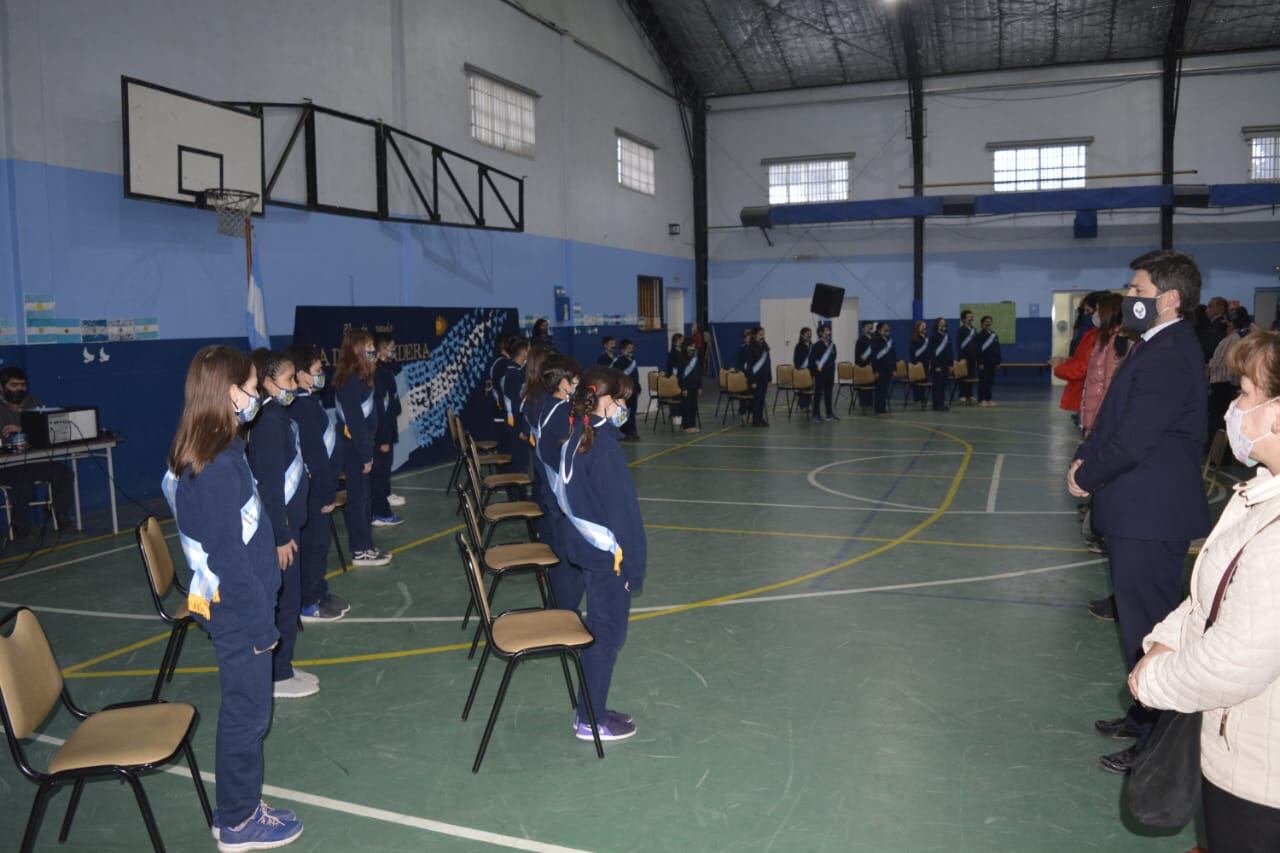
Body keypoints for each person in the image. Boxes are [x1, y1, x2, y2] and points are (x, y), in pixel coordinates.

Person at [1129, 330, 1280, 852]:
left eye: (1243, 393)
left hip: (1263, 777)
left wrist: (1154, 680)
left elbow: (1236, 660)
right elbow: (1211, 597)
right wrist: (1167, 638)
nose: (1232, 409)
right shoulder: (1260, 496)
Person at [1067, 249, 1209, 776]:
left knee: (1150, 632)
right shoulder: (1156, 345)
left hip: (1149, 514)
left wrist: (1087, 473)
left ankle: (1159, 739)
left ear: (1168, 299)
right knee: (1140, 626)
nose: (1129, 298)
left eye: (1137, 291)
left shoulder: (1170, 352)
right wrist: (1087, 454)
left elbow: (1136, 438)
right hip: (1139, 511)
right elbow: (1116, 419)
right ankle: (1144, 712)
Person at [162, 346, 303, 851]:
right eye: (250, 388)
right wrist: (264, 627)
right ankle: (240, 822)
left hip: (241, 607)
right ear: (228, 393)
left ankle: (239, 807)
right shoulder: (216, 467)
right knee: (248, 715)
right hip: (240, 613)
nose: (256, 398)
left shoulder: (224, 452)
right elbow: (229, 560)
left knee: (248, 710)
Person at [553, 366, 646, 742]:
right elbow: (624, 516)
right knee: (606, 638)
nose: (625, 406)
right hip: (609, 559)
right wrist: (634, 570)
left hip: (587, 551)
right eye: (621, 399)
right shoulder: (603, 446)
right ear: (605, 401)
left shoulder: (578, 434)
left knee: (600, 633)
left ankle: (591, 707)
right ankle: (590, 719)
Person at [245, 349, 317, 700]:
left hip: (291, 523)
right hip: (281, 530)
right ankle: (276, 675)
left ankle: (283, 665)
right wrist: (281, 535)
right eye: (288, 380)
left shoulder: (275, 416)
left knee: (290, 597)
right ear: (269, 383)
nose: (293, 386)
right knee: (285, 602)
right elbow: (270, 485)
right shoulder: (269, 422)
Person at [285, 344, 348, 623]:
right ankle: (308, 601)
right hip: (315, 491)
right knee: (314, 546)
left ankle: (319, 590)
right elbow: (316, 456)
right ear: (300, 375)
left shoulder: (310, 402)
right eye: (317, 371)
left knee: (320, 545)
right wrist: (327, 493)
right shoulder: (301, 408)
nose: (322, 374)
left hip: (320, 487)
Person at [1078, 293, 1130, 563]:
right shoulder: (1103, 339)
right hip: (1092, 420)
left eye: (1098, 310)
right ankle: (1095, 529)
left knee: (1103, 480)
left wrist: (1099, 426)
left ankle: (1098, 532)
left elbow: (1110, 388)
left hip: (1103, 423)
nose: (1094, 314)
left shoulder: (1117, 343)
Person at [335, 330, 391, 568]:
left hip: (361, 446)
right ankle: (360, 550)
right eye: (368, 346)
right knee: (358, 501)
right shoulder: (349, 380)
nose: (373, 351)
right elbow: (355, 423)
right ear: (356, 350)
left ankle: (366, 544)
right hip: (355, 449)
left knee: (365, 500)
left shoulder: (362, 377)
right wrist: (367, 455)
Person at [531, 353, 583, 612]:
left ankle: (558, 607)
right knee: (568, 564)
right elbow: (571, 455)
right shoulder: (561, 413)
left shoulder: (547, 404)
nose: (577, 383)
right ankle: (562, 615)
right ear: (562, 382)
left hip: (550, 494)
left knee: (562, 559)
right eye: (573, 379)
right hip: (560, 499)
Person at [0, 367, 75, 536]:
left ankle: (56, 510)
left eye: (22, 385)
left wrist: (21, 429)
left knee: (64, 474)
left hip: (33, 460)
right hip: (6, 466)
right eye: (14, 385)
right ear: (1, 387)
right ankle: (19, 525)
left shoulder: (34, 402)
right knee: (23, 481)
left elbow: (45, 430)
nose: (19, 389)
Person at [1051, 292, 1105, 421]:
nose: (1087, 315)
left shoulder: (1100, 337)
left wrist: (1059, 367)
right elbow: (1082, 359)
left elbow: (1083, 368)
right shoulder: (1090, 333)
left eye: (1089, 310)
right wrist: (1066, 361)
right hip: (1089, 395)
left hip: (1094, 395)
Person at [370, 332, 404, 528]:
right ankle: (379, 512)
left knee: (384, 471)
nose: (393, 351)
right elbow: (381, 407)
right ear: (380, 349)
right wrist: (383, 438)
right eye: (390, 347)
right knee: (379, 474)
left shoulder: (385, 370)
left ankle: (383, 502)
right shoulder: (377, 373)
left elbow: (392, 402)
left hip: (388, 429)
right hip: (381, 433)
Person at [1206, 306, 1253, 446]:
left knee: (1217, 421)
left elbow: (1215, 364)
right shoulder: (1246, 339)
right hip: (1233, 385)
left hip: (1222, 385)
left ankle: (1216, 453)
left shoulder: (1230, 340)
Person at [501, 338, 532, 494]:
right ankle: (516, 496)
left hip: (515, 424)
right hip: (516, 426)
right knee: (519, 463)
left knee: (521, 462)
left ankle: (518, 494)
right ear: (525, 352)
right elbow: (515, 404)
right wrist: (521, 428)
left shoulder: (514, 371)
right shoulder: (514, 374)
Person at [610, 339, 641, 442]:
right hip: (624, 392)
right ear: (622, 350)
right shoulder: (619, 362)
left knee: (632, 412)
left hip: (634, 391)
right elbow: (617, 377)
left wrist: (638, 386)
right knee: (624, 413)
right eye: (628, 348)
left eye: (632, 348)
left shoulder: (633, 360)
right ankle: (625, 432)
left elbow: (635, 376)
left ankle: (632, 431)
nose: (631, 350)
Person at [810, 325, 837, 422]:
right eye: (826, 330)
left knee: (828, 394)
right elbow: (812, 360)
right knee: (818, 394)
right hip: (820, 373)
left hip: (830, 373)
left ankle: (829, 414)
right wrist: (819, 366)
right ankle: (815, 415)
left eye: (829, 330)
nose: (828, 332)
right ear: (821, 333)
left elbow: (834, 357)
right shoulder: (816, 346)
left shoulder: (832, 345)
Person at [746, 327, 771, 427]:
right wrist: (752, 381)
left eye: (763, 334)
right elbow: (749, 366)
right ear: (755, 335)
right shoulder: (751, 347)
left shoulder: (765, 346)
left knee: (762, 400)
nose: (762, 335)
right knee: (757, 399)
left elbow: (768, 362)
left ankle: (760, 419)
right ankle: (756, 420)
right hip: (756, 378)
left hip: (764, 377)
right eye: (760, 334)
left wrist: (769, 377)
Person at [677, 337, 702, 434]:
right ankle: (687, 426)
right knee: (686, 406)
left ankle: (693, 424)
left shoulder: (695, 358)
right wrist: (683, 388)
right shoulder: (681, 358)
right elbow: (680, 376)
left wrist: (700, 386)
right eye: (691, 346)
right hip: (686, 387)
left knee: (693, 407)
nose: (693, 347)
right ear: (686, 347)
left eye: (694, 346)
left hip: (695, 386)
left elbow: (699, 373)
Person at [975, 315, 1002, 407]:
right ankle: (981, 399)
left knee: (990, 381)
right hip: (983, 362)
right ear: (982, 323)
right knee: (983, 381)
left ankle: (988, 398)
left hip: (992, 362)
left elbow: (997, 348)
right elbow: (978, 350)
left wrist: (998, 362)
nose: (988, 323)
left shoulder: (994, 335)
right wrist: (980, 362)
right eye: (986, 321)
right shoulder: (980, 335)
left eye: (990, 321)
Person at [928, 318, 953, 412]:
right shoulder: (933, 337)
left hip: (946, 364)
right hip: (937, 365)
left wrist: (951, 364)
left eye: (944, 323)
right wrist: (936, 365)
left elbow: (950, 350)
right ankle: (936, 404)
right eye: (941, 323)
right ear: (937, 325)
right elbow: (931, 353)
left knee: (943, 385)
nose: (943, 324)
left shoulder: (947, 336)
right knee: (937, 386)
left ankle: (941, 403)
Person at [872, 322, 896, 415]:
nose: (887, 329)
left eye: (887, 327)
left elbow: (893, 354)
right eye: (885, 327)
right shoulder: (875, 340)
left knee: (885, 389)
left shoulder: (889, 339)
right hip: (880, 369)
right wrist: (876, 370)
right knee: (879, 389)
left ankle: (883, 406)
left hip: (889, 368)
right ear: (879, 330)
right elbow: (874, 356)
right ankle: (878, 408)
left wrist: (894, 368)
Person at [956, 310, 979, 404]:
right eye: (969, 316)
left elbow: (976, 344)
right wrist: (961, 357)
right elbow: (958, 345)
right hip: (963, 357)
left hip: (973, 357)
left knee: (971, 376)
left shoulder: (974, 330)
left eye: (971, 316)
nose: (971, 318)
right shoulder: (960, 330)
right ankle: (962, 395)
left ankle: (970, 394)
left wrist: (977, 357)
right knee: (963, 377)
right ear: (964, 318)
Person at [1198, 295, 1229, 363]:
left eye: (1210, 306)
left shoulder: (1218, 326)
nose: (1207, 310)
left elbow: (1209, 349)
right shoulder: (1214, 324)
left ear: (1221, 309)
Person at [853, 321, 876, 411]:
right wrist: (867, 362)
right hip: (863, 365)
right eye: (868, 327)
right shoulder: (861, 340)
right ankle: (863, 402)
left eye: (871, 327)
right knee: (864, 385)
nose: (870, 329)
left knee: (871, 384)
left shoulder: (874, 339)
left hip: (873, 365)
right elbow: (860, 355)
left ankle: (870, 402)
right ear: (863, 329)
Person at [908, 320, 931, 405]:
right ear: (918, 328)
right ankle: (917, 398)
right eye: (922, 326)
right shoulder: (914, 338)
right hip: (917, 362)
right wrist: (914, 363)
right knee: (917, 381)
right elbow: (912, 352)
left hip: (926, 362)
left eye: (925, 326)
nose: (924, 327)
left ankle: (922, 398)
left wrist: (930, 362)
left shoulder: (927, 338)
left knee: (924, 380)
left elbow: (929, 351)